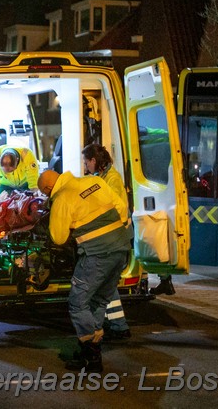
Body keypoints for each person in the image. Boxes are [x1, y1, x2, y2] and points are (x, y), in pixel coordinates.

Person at [38, 168, 130, 372]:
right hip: (121, 249)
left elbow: (59, 238)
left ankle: (92, 353)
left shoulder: (62, 197)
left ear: (47, 188)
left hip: (97, 255)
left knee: (78, 303)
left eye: (46, 194)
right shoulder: (93, 181)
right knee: (98, 300)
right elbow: (121, 207)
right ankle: (91, 352)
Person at [82, 143, 131, 341]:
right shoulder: (103, 177)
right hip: (114, 239)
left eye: (86, 162)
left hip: (114, 238)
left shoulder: (112, 179)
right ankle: (119, 325)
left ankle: (111, 327)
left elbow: (111, 207)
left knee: (103, 286)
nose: (85, 166)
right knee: (107, 287)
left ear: (94, 161)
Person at [0, 145, 39, 210]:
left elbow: (33, 178)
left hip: (25, 185)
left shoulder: (27, 155)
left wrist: (35, 197)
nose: (9, 174)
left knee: (28, 208)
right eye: (5, 172)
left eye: (11, 170)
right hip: (4, 186)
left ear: (17, 160)